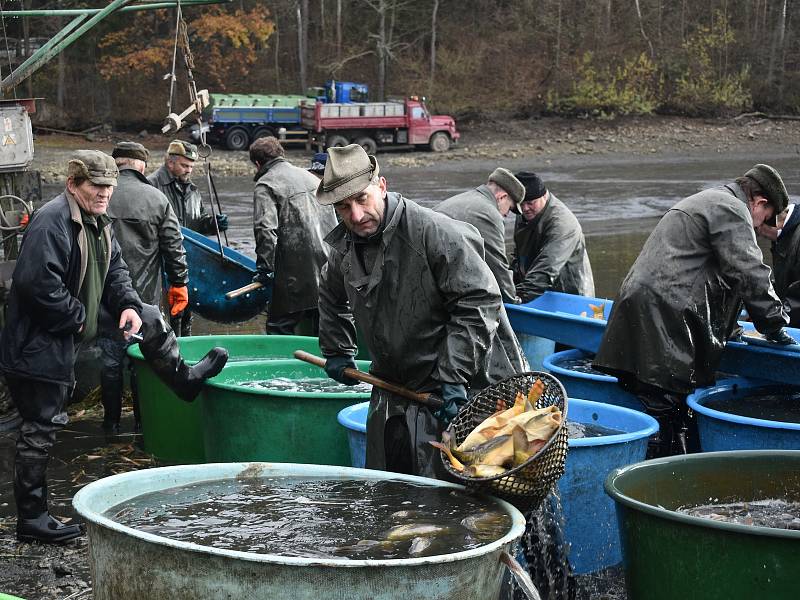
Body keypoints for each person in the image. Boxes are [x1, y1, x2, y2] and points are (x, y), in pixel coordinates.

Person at [0, 150, 228, 544]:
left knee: (151, 317)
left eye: (109, 186)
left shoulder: (97, 220)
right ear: (73, 184)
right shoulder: (51, 221)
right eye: (97, 186)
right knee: (40, 427)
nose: (105, 193)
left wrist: (126, 304)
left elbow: (115, 270)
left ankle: (184, 380)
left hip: (74, 322)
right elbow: (37, 287)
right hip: (37, 343)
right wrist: (81, 321)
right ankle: (32, 519)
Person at [316, 144, 526, 478]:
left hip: (463, 384)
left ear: (381, 186)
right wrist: (337, 350)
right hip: (395, 385)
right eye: (343, 207)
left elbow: (480, 301)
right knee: (394, 493)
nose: (356, 215)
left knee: (467, 497)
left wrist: (454, 377)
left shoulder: (434, 232)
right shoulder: (344, 247)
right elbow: (329, 294)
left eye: (362, 200)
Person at [594, 164, 795, 457]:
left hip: (638, 303)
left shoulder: (709, 198)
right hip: (665, 313)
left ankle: (653, 462)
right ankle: (664, 471)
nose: (760, 229)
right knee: (665, 401)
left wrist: (733, 328)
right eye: (765, 219)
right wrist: (774, 323)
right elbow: (749, 272)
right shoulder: (733, 209)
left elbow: (710, 272)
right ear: (759, 201)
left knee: (651, 397)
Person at [97, 141, 189, 434]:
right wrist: (179, 283)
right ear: (142, 166)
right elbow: (174, 248)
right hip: (144, 301)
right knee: (143, 361)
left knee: (110, 361)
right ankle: (142, 422)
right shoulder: (157, 198)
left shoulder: (98, 196)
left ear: (115, 164)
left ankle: (110, 423)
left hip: (103, 298)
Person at [250, 137, 338, 334]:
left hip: (293, 272)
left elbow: (265, 229)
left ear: (257, 164)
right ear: (281, 154)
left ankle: (281, 365)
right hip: (328, 266)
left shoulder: (266, 185)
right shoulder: (312, 178)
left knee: (278, 328)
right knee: (324, 328)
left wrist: (265, 268)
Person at [148, 139, 228, 336]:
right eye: (184, 165)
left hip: (186, 262)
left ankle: (185, 350)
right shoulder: (151, 186)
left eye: (191, 166)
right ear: (170, 162)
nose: (189, 170)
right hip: (159, 264)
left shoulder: (192, 190)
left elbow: (197, 222)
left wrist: (212, 223)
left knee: (186, 313)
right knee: (164, 317)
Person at [434, 168, 525, 303]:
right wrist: (512, 299)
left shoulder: (462, 198)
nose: (506, 215)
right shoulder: (489, 214)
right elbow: (497, 265)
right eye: (510, 208)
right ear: (502, 197)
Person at [511, 171, 595, 303]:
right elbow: (519, 257)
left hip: (571, 295)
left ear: (544, 196)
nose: (525, 208)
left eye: (530, 203)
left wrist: (516, 298)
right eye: (521, 204)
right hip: (537, 290)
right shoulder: (523, 214)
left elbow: (547, 268)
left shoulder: (562, 224)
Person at [757, 204, 800, 328]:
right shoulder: (784, 235)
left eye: (757, 229)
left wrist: (775, 320)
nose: (758, 234)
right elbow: (787, 280)